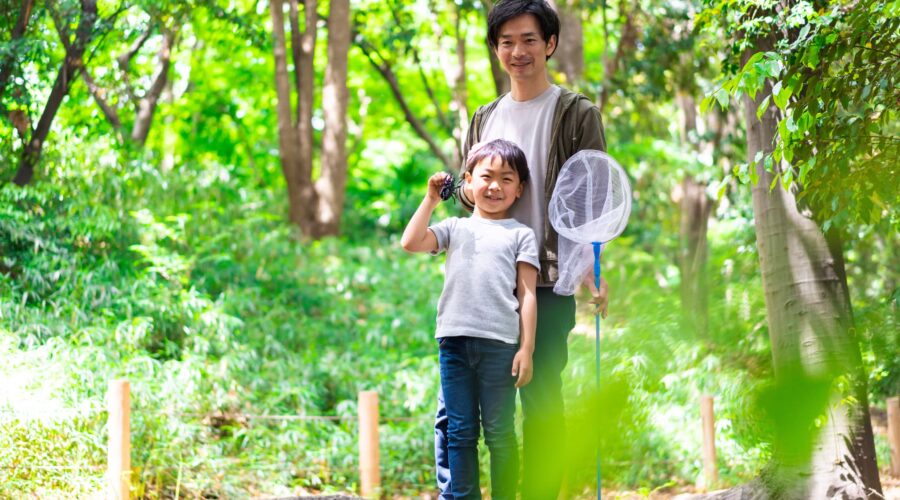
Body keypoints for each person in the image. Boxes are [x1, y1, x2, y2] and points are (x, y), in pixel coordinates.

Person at [433, 1, 610, 498]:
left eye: (529, 40)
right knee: (456, 410)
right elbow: (467, 189)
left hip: (548, 280)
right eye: (507, 42)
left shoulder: (577, 114)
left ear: (550, 44)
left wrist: (595, 269)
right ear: (496, 49)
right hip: (482, 283)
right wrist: (468, 191)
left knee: (540, 400)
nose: (518, 51)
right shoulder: (484, 116)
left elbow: (592, 196)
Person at [402, 139, 540, 500]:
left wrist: (526, 348)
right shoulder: (454, 228)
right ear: (468, 181)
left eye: (506, 179)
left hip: (501, 345)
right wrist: (431, 199)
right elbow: (410, 241)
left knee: (499, 432)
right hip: (454, 344)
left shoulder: (521, 235)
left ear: (519, 188)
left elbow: (526, 294)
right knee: (461, 431)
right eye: (486, 176)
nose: (495, 186)